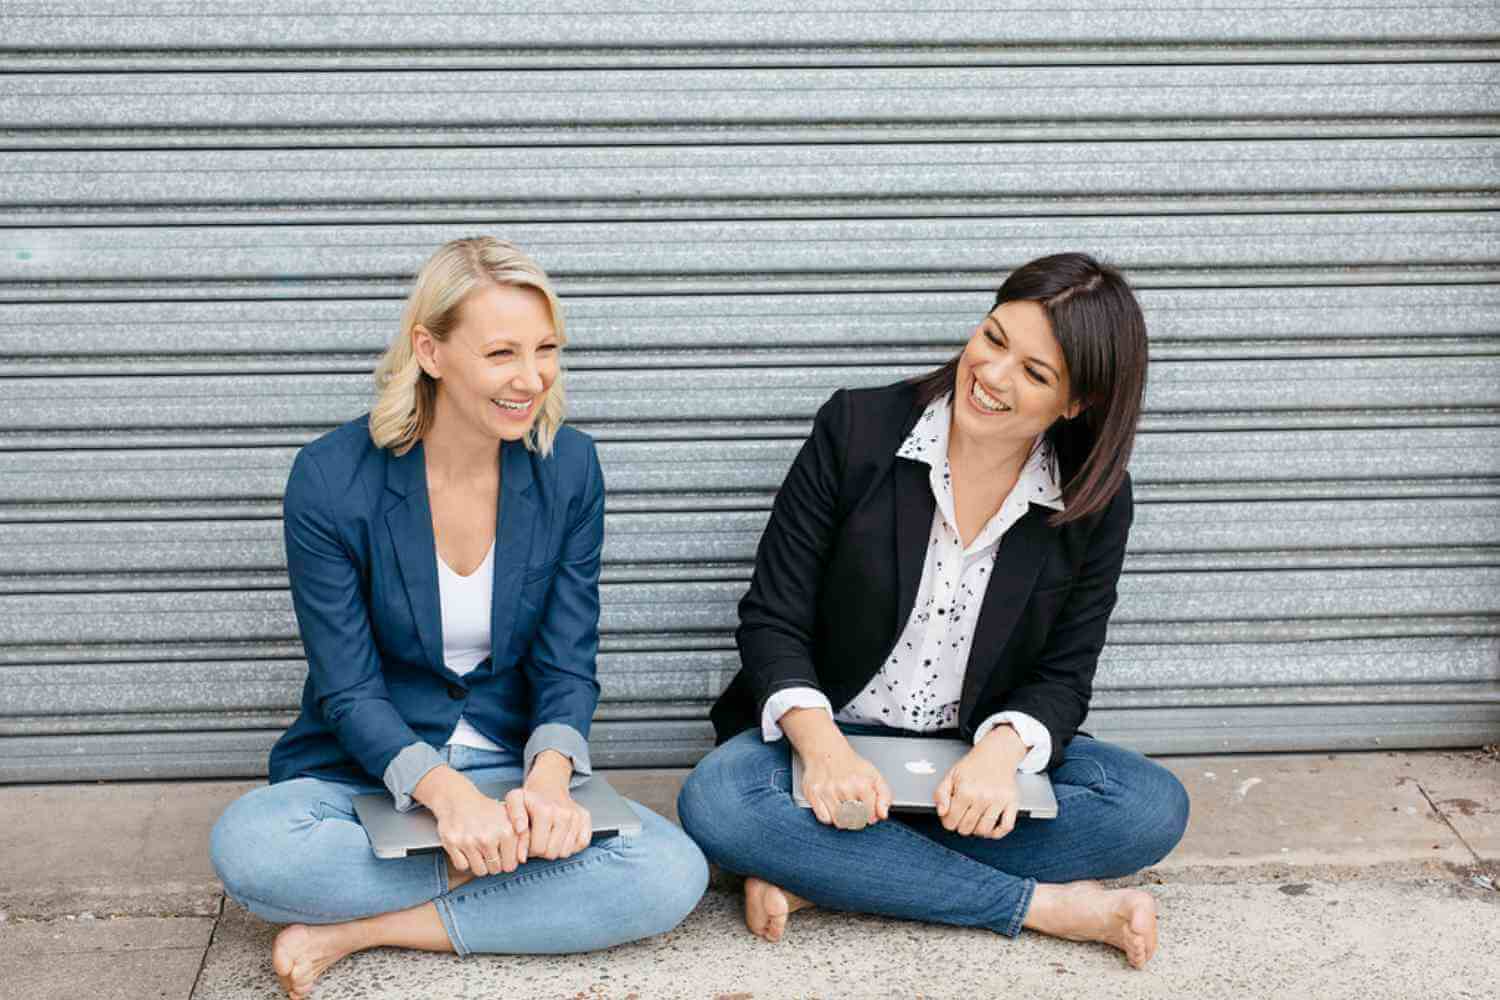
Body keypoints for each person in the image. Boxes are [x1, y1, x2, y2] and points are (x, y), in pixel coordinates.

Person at [210, 237, 707, 1000]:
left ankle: (365, 929)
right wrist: (449, 800)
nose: (531, 378)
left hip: (511, 772)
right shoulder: (332, 480)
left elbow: (567, 660)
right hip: (371, 774)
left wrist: (548, 786)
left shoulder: (570, 468)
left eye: (545, 350)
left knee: (670, 873)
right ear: (429, 351)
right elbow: (348, 690)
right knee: (253, 849)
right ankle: (520, 888)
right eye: (501, 353)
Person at [676, 252, 1189, 969]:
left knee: (1149, 807)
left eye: (1035, 373)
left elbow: (1065, 675)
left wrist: (999, 758)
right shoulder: (857, 427)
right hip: (829, 736)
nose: (992, 375)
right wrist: (824, 752)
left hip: (969, 757)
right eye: (993, 338)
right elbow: (772, 618)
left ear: (1077, 403)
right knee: (719, 803)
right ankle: (1039, 906)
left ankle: (831, 871)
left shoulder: (1093, 499)